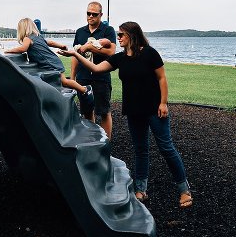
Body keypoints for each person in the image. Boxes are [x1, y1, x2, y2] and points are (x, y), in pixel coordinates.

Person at [61, 21, 193, 208]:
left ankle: (184, 190)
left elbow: (162, 78)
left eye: (121, 34)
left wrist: (163, 103)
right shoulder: (120, 58)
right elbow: (96, 69)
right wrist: (75, 53)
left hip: (155, 109)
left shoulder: (149, 53)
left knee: (166, 148)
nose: (119, 37)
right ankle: (141, 190)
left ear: (131, 35)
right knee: (140, 150)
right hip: (134, 111)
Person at [5, 18, 93, 104]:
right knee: (59, 82)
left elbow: (23, 48)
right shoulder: (38, 37)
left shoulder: (27, 39)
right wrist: (61, 46)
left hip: (50, 63)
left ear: (22, 29)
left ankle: (84, 89)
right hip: (52, 61)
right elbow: (50, 43)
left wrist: (9, 50)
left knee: (64, 82)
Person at [71, 2, 117, 139]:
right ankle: (93, 141)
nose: (90, 16)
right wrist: (73, 78)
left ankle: (106, 144)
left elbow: (112, 52)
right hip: (83, 77)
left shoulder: (108, 30)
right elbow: (75, 55)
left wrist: (90, 47)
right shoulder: (80, 32)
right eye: (88, 13)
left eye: (94, 14)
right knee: (87, 111)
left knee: (104, 111)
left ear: (101, 15)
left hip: (101, 77)